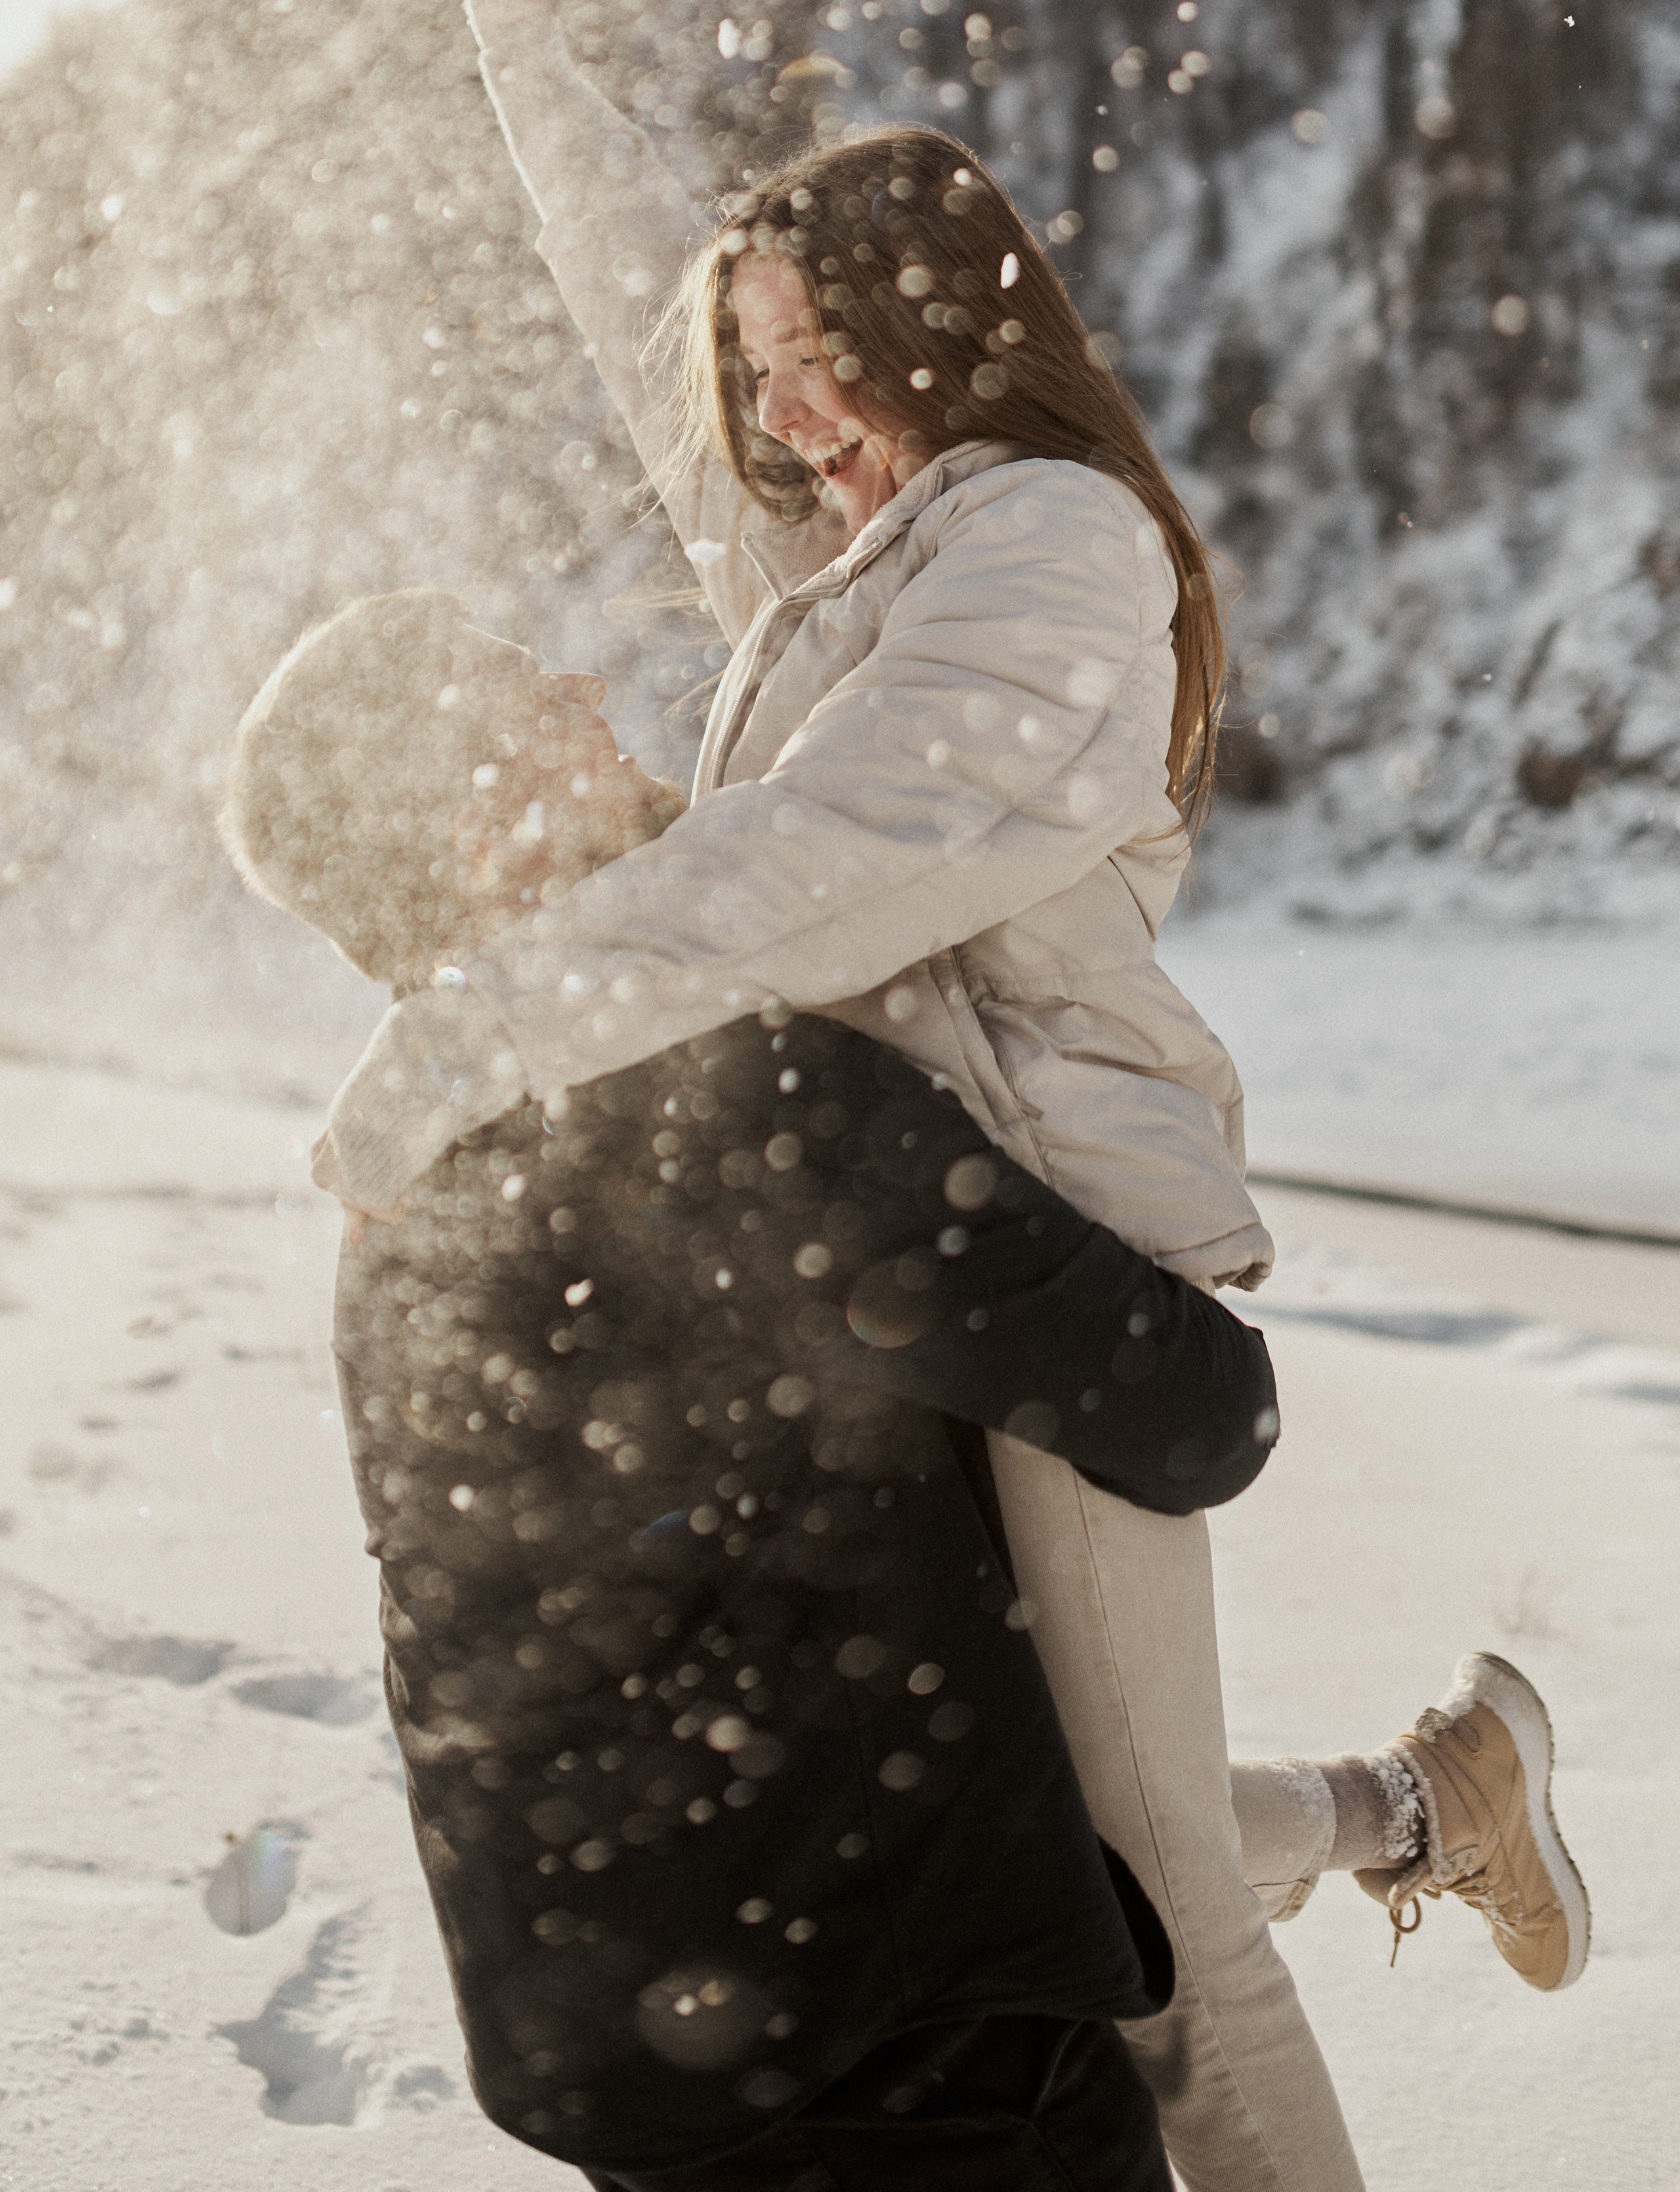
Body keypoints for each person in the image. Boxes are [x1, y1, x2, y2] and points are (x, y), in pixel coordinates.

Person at [306, 0, 1591, 2192]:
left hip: (1048, 1263)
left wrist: (467, 1041)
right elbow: (646, 345)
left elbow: (818, 858)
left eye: (825, 356)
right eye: (764, 371)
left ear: (948, 324)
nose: (789, 414)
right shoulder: (849, 567)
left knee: (1163, 1928)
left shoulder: (1052, 551)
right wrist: (527, 65)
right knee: (1063, 1813)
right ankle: (1430, 1802)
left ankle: (1424, 1813)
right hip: (911, 1259)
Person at [222, 585, 1301, 2187]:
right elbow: (1198, 1414)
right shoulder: (724, 1106)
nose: (589, 693)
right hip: (906, 2056)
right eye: (531, 699)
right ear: (477, 832)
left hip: (637, 2056)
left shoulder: (408, 1190)